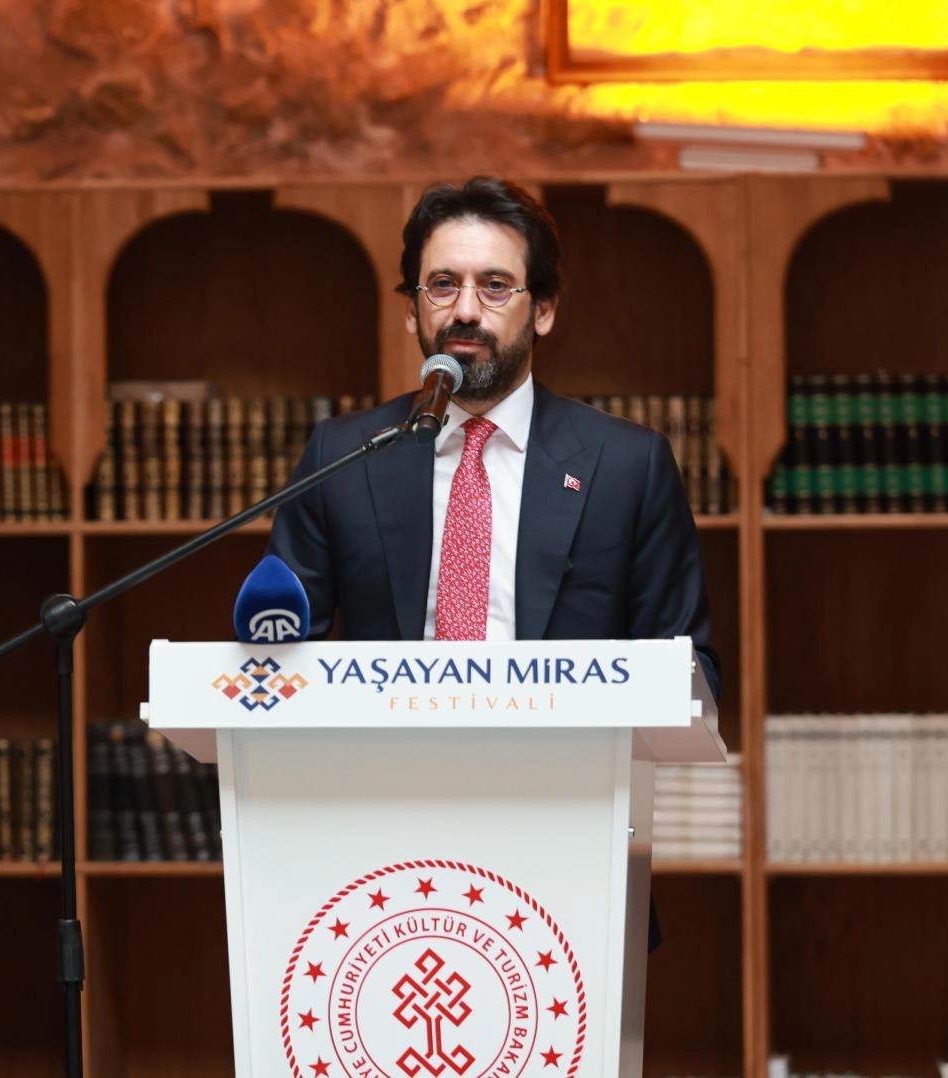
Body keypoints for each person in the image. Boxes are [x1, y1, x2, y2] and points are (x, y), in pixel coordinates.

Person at [265, 175, 722, 947]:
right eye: (442, 285)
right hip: (375, 861)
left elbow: (693, 673)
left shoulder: (626, 465)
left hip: (568, 850)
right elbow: (280, 656)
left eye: (495, 286)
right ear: (412, 308)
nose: (466, 310)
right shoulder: (345, 457)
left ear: (543, 310)